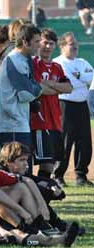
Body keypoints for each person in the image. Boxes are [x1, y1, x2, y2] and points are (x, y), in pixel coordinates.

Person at [0, 142, 85, 235]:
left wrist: (54, 189)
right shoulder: (2, 174)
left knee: (40, 189)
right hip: (6, 217)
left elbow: (41, 180)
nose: (26, 164)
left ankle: (56, 225)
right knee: (30, 190)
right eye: (21, 160)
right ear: (9, 162)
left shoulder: (22, 174)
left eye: (26, 160)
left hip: (18, 213)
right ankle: (49, 225)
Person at [0, 24, 42, 172]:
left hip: (17, 122)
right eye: (36, 42)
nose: (39, 45)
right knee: (16, 170)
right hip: (11, 124)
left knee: (22, 170)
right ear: (25, 42)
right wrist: (40, 88)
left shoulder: (22, 59)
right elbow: (26, 94)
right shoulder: (14, 60)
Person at [53, 32, 94, 186]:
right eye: (71, 43)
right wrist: (81, 78)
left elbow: (92, 78)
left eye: (76, 43)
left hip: (82, 104)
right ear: (62, 46)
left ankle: (81, 175)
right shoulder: (58, 63)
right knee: (65, 141)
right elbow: (69, 83)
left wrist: (79, 77)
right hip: (65, 105)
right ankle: (58, 175)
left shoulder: (82, 61)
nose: (75, 46)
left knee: (84, 141)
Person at [30, 29, 73, 179]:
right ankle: (38, 197)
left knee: (51, 162)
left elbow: (69, 88)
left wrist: (49, 83)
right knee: (44, 161)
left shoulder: (57, 67)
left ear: (55, 45)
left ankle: (44, 197)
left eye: (51, 43)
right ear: (38, 44)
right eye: (44, 43)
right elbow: (38, 89)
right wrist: (56, 87)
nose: (47, 46)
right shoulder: (33, 64)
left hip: (55, 121)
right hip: (40, 121)